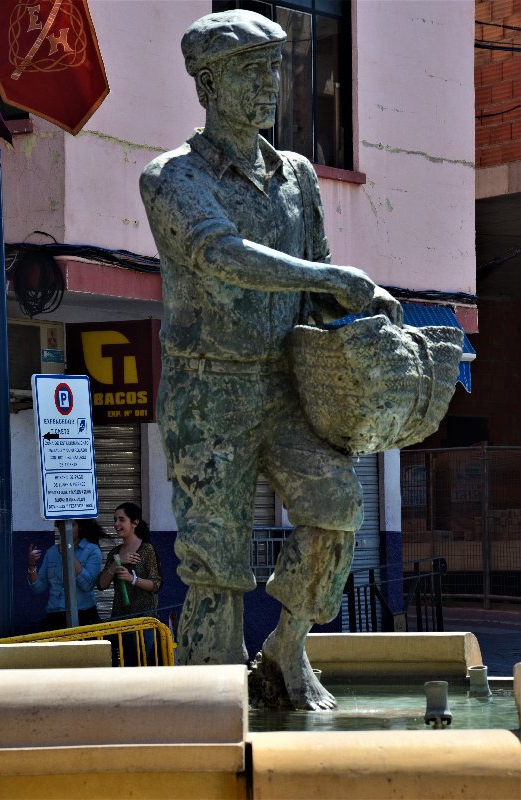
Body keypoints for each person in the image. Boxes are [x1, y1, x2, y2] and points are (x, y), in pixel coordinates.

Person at [139, 9, 402, 709]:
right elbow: (219, 254)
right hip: (208, 391)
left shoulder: (297, 177)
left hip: (286, 382)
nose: (270, 85)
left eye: (275, 69)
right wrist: (329, 279)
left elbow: (313, 283)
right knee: (215, 562)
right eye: (251, 71)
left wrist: (361, 309)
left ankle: (286, 650)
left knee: (338, 506)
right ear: (206, 82)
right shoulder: (171, 176)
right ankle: (210, 697)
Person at [97, 503, 162, 665]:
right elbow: (101, 584)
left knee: (144, 667)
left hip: (144, 622)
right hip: (120, 621)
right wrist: (116, 564)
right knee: (126, 666)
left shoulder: (147, 550)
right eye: (115, 520)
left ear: (135, 523)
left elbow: (156, 584)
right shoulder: (115, 553)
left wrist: (132, 579)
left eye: (121, 520)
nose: (116, 524)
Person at [27, 518, 104, 631]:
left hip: (83, 614)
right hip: (56, 615)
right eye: (61, 526)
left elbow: (87, 585)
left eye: (71, 525)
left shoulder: (91, 550)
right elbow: (39, 587)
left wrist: (68, 552)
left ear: (80, 527)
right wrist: (31, 564)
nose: (66, 530)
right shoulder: (52, 552)